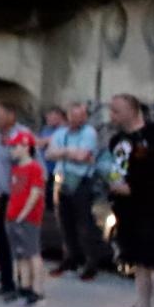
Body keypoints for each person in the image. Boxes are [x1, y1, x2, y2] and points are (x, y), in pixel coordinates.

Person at [103, 94, 154, 307]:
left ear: (133, 110)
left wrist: (133, 187)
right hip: (127, 209)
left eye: (117, 110)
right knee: (139, 260)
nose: (112, 115)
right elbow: (116, 168)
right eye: (111, 110)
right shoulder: (118, 140)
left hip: (151, 207)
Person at [50, 102, 102, 280]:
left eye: (81, 116)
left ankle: (91, 263)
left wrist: (63, 152)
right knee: (65, 223)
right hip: (63, 180)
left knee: (85, 224)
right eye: (73, 116)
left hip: (82, 181)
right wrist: (71, 152)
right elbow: (50, 153)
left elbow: (84, 156)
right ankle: (71, 258)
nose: (77, 119)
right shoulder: (61, 133)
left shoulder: (89, 133)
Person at [0, 100, 33, 300]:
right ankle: (6, 282)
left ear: (11, 115)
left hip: (19, 195)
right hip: (3, 195)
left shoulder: (22, 135)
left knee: (19, 241)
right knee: (0, 239)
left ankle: (26, 285)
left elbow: (32, 164)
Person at [5, 133, 48, 307]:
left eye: (15, 147)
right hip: (13, 215)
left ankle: (37, 291)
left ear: (25, 147)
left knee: (32, 253)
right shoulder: (15, 169)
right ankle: (24, 287)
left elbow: (35, 193)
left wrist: (24, 213)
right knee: (20, 254)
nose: (12, 150)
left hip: (28, 217)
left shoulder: (35, 168)